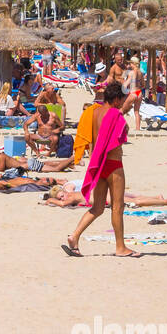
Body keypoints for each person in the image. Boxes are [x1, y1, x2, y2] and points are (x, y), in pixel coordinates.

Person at [62, 81, 139, 258]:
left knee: (97, 207)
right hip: (113, 164)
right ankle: (121, 247)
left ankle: (74, 237)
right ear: (118, 99)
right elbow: (118, 138)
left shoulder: (93, 111)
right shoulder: (114, 114)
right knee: (117, 207)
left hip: (99, 164)